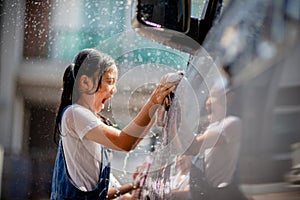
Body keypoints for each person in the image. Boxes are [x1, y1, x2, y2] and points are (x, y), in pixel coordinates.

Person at [50, 48, 179, 200]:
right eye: (110, 81)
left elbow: (131, 143)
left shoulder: (86, 121)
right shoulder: (74, 113)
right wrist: (154, 100)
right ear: (85, 82)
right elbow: (124, 142)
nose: (114, 90)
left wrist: (136, 185)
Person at [184, 74, 248, 200]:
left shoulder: (232, 123)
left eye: (213, 96)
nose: (207, 102)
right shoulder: (209, 128)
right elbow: (187, 147)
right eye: (207, 97)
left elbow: (194, 146)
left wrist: (178, 110)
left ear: (228, 98)